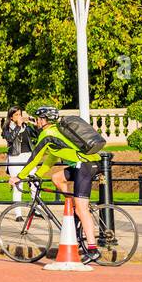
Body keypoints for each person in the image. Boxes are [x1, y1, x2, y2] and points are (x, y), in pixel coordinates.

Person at [17, 106, 102, 265]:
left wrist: (19, 177)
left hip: (84, 165)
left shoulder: (47, 134)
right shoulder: (56, 132)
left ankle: (92, 249)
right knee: (57, 178)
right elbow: (52, 159)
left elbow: (35, 157)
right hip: (85, 163)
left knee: (82, 208)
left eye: (38, 119)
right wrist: (37, 175)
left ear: (43, 120)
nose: (36, 122)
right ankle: (72, 208)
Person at [3, 106, 34, 219]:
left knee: (34, 182)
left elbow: (36, 135)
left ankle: (36, 209)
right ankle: (18, 214)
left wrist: (34, 124)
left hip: (28, 157)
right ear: (11, 117)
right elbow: (10, 139)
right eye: (16, 115)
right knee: (17, 185)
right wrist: (18, 126)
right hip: (15, 157)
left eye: (20, 114)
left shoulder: (26, 127)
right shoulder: (7, 128)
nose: (19, 116)